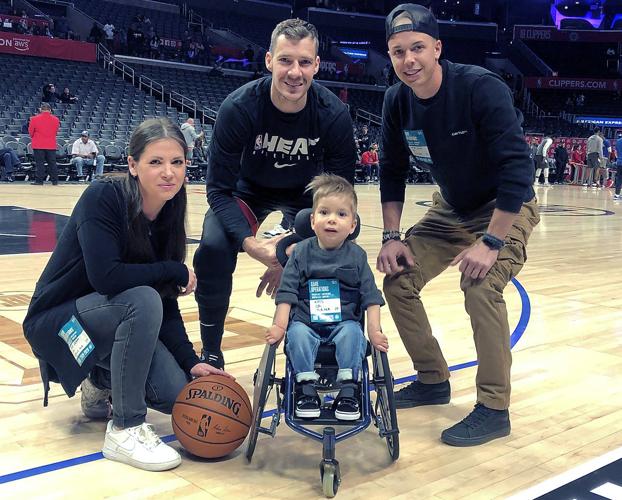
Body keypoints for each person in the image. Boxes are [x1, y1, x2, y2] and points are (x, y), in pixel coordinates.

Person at [22, 118, 232, 472]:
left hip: (107, 318)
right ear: (133, 165)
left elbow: (166, 302)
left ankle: (99, 381)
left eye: (177, 162)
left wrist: (190, 360)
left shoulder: (169, 212)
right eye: (156, 162)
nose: (169, 172)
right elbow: (107, 278)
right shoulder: (104, 196)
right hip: (57, 324)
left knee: (174, 393)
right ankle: (125, 427)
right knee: (141, 299)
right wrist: (173, 270)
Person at [377, 4, 539, 447]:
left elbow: (516, 172)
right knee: (398, 280)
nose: (408, 60)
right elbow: (391, 172)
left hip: (504, 206)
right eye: (397, 52)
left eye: (417, 48)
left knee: (482, 287)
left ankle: (493, 408)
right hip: (451, 207)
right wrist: (392, 236)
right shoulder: (396, 100)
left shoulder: (480, 88)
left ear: (437, 48)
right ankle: (432, 379)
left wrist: (491, 241)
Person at [192, 18, 356, 369]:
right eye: (285, 60)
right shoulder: (239, 108)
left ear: (316, 65)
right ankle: (211, 350)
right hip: (247, 191)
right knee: (213, 248)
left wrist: (293, 249)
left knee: (333, 246)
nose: (295, 72)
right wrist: (252, 245)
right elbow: (218, 191)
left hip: (308, 198)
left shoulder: (334, 115)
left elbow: (342, 200)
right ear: (269, 60)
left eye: (304, 62)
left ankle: (322, 347)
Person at [266, 174, 388, 420]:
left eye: (341, 214)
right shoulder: (300, 252)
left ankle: (348, 391)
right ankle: (306, 390)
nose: (332, 219)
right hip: (306, 322)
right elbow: (287, 293)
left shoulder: (357, 256)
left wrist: (374, 331)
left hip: (343, 323)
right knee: (296, 333)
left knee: (354, 333)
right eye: (324, 212)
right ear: (312, 220)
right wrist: (279, 326)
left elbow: (370, 297)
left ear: (353, 225)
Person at [29, 102, 60, 185]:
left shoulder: (34, 119)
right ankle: (55, 181)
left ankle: (39, 181)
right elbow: (56, 131)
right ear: (50, 110)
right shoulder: (56, 119)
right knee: (52, 163)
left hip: (38, 144)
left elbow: (31, 132)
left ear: (41, 109)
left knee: (40, 163)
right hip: (51, 144)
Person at [614, 132, 622, 199]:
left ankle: (616, 195)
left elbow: (615, 152)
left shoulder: (618, 141)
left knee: (619, 178)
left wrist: (618, 158)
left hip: (619, 162)